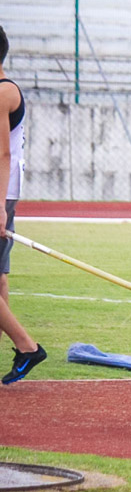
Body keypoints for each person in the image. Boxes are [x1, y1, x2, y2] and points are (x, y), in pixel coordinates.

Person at [0, 26, 46, 384]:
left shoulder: (3, 93)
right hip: (4, 193)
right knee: (0, 277)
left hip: (1, 193)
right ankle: (23, 349)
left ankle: (27, 346)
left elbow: (3, 153)